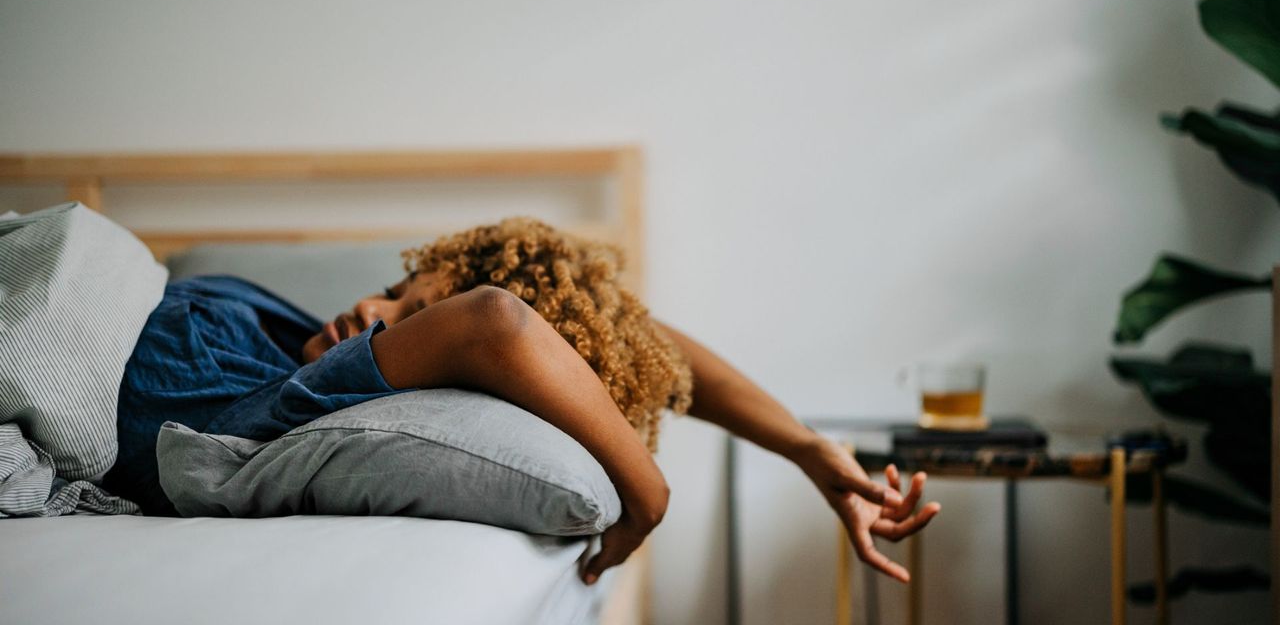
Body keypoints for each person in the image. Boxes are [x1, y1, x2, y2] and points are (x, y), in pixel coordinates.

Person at [105, 216, 939, 586]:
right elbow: (653, 340)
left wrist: (646, 499)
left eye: (415, 324)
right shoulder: (301, 338)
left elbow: (500, 323)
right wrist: (805, 447)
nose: (377, 315)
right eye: (396, 291)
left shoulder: (286, 407)